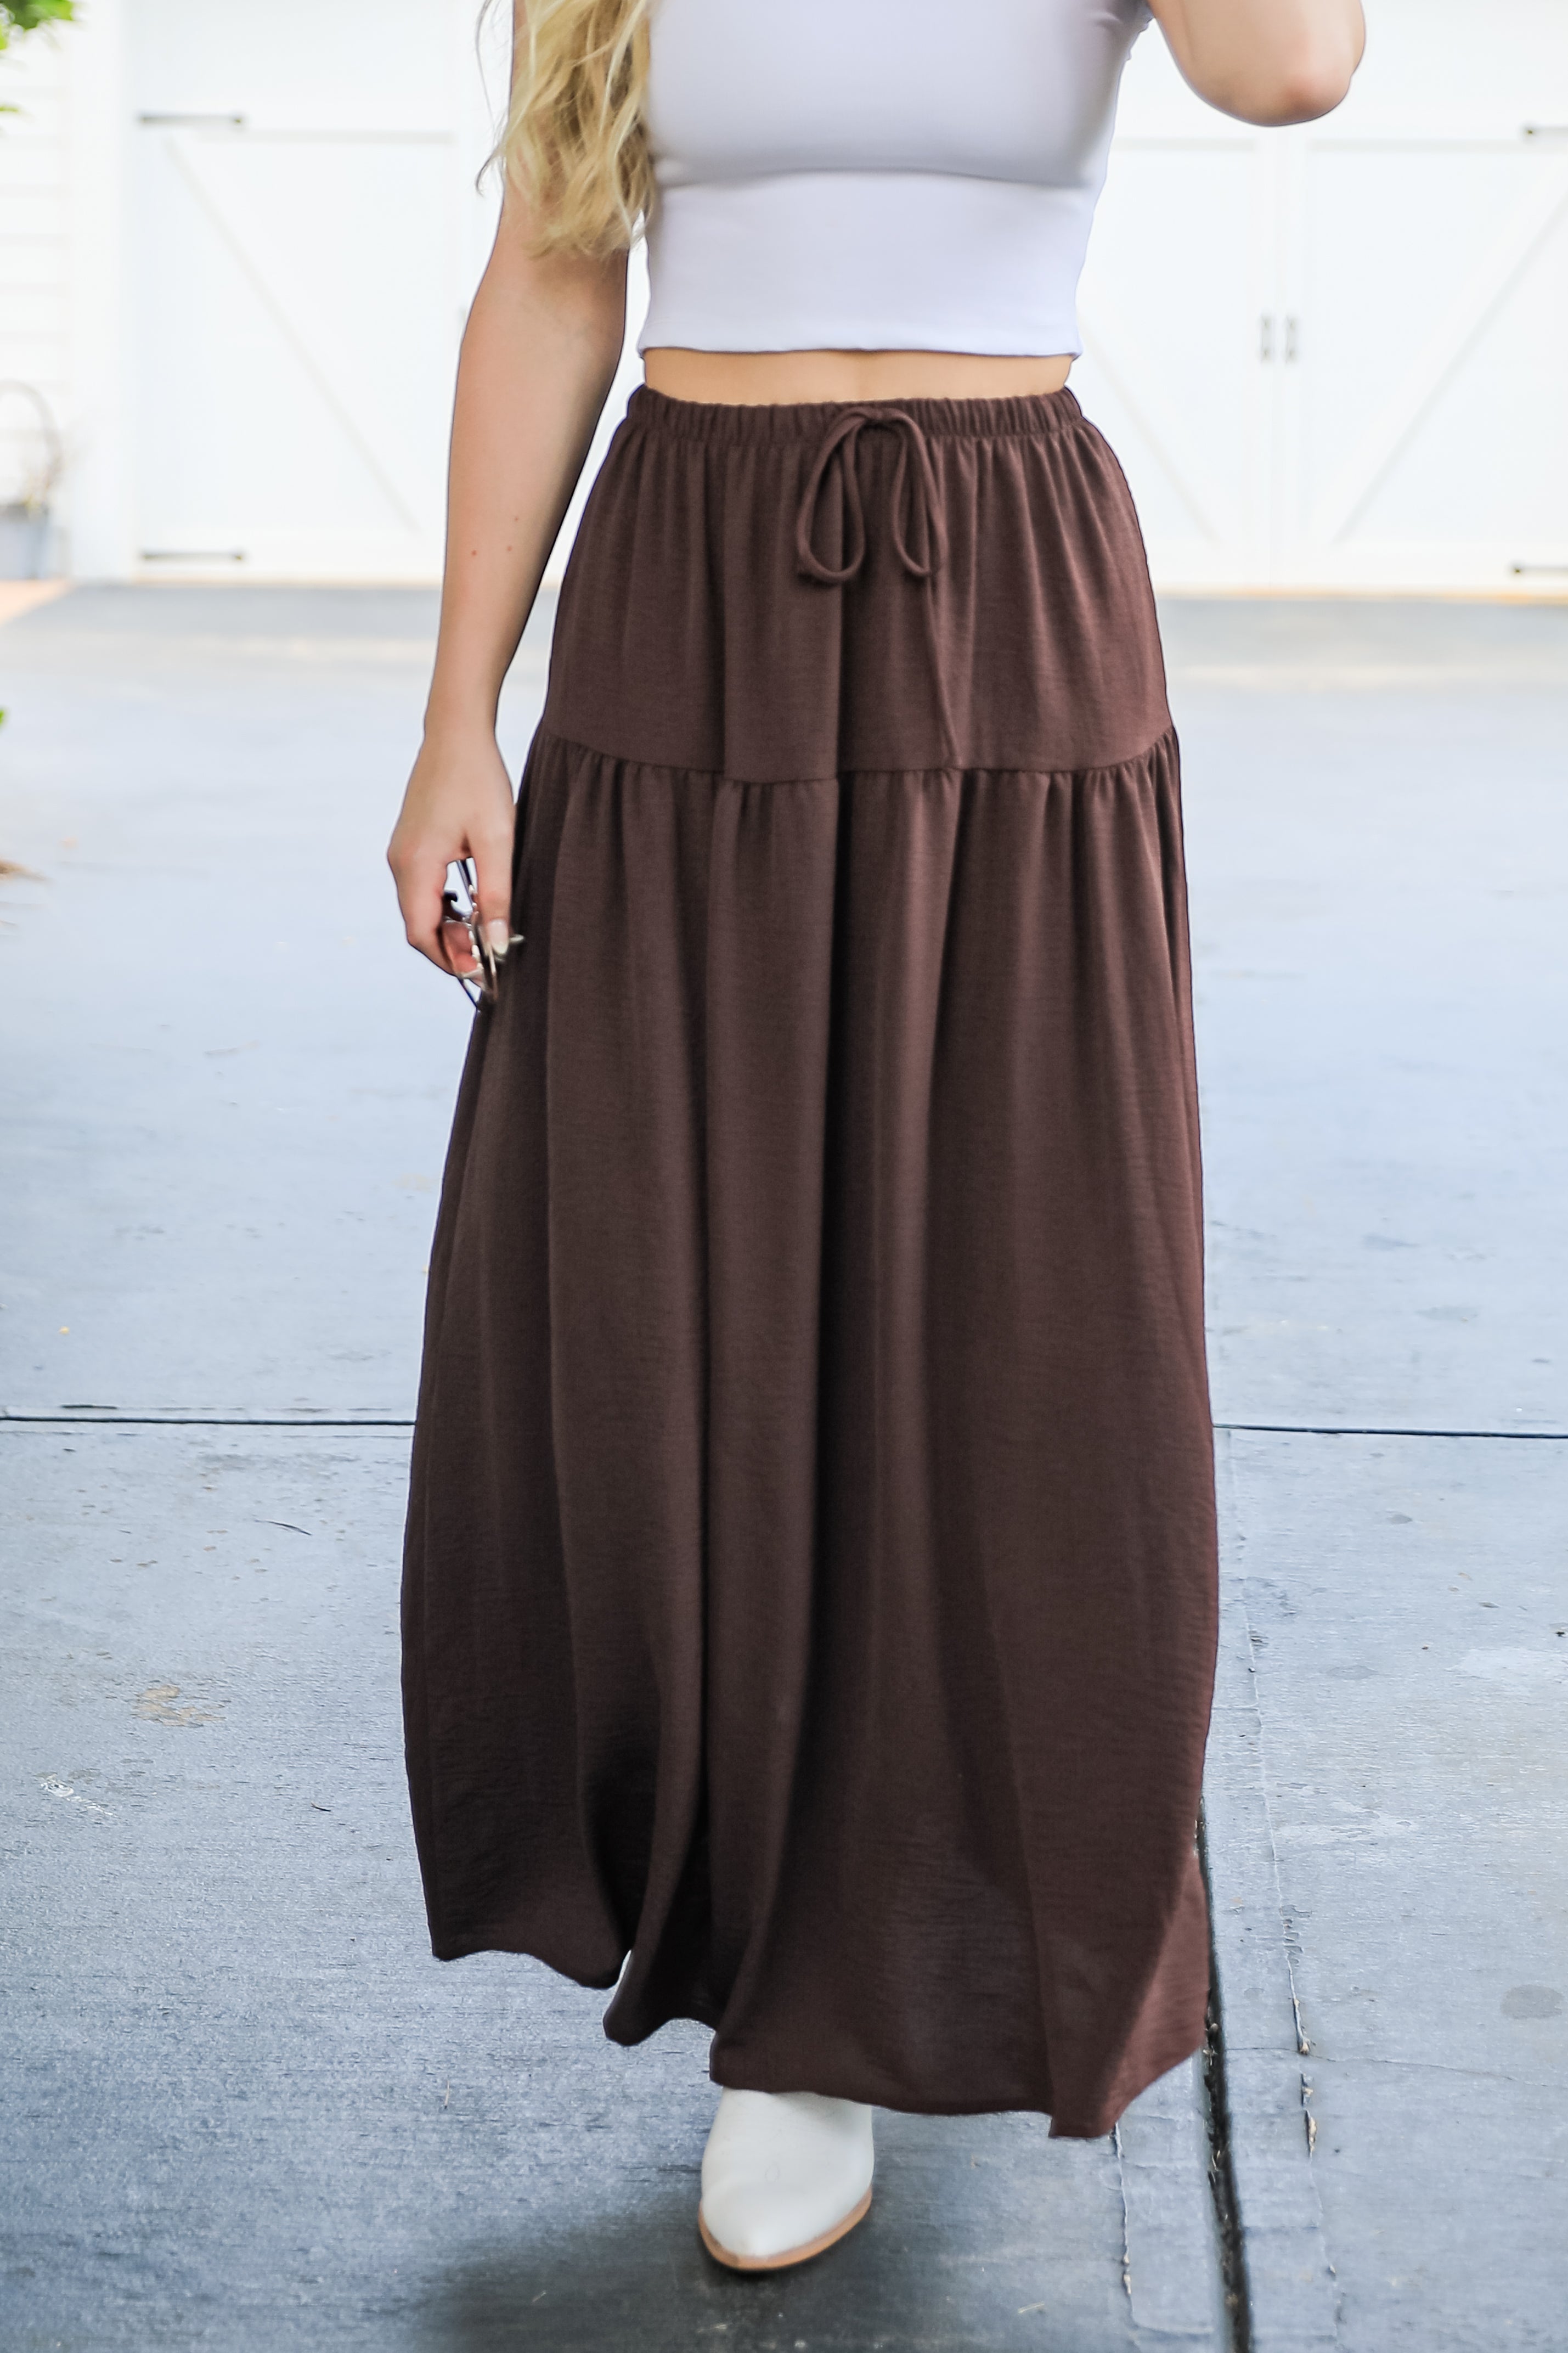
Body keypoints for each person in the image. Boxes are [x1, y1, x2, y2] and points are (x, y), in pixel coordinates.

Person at [388, 0, 1363, 2275]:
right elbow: (552, 262)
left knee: (1015, 1316)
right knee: (673, 1298)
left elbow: (1293, 69)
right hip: (684, 590)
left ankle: (882, 1970)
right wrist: (457, 711)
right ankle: (775, 1993)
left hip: (1002, 587)